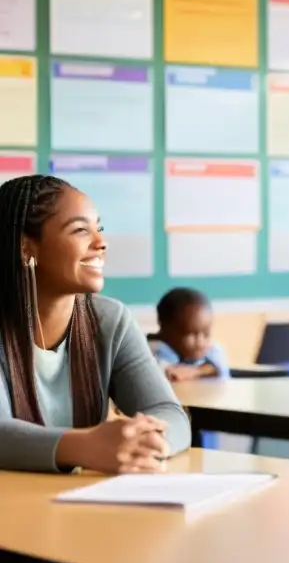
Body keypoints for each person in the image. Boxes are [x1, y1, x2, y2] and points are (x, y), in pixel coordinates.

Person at [0, 175, 190, 474]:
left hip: (78, 505)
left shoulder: (110, 321)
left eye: (99, 229)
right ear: (26, 248)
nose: (101, 243)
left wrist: (149, 443)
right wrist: (85, 446)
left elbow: (169, 413)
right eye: (80, 230)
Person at [151, 287, 228, 382]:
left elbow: (222, 372)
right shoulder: (154, 350)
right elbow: (169, 375)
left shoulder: (211, 350)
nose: (200, 342)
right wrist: (203, 370)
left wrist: (198, 371)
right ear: (165, 328)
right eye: (191, 334)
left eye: (206, 334)